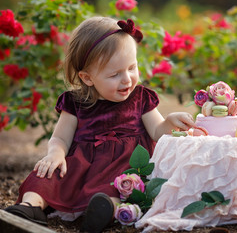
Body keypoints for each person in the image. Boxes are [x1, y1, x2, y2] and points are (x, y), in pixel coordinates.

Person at [5, 17, 195, 232]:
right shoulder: (76, 103)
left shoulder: (141, 98)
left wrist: (169, 122)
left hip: (125, 168)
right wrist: (56, 154)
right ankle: (31, 206)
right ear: (87, 78)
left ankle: (102, 213)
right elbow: (60, 138)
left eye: (132, 68)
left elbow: (157, 130)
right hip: (82, 167)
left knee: (123, 190)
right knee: (47, 174)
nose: (127, 79)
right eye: (115, 74)